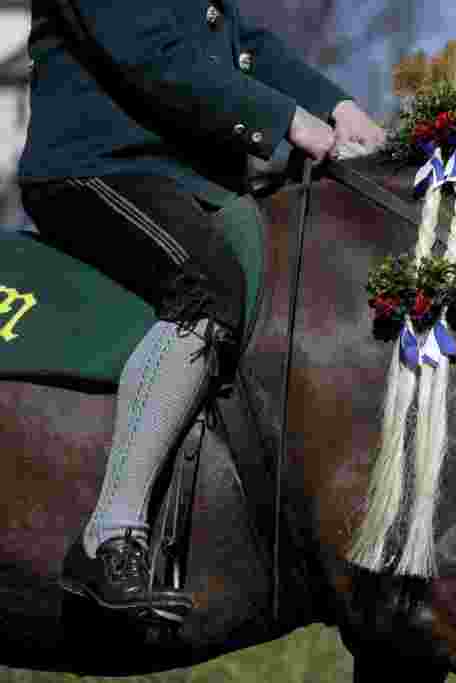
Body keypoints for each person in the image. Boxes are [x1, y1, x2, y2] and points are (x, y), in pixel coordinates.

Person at [17, 0, 386, 623]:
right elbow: (155, 58)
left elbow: (236, 44)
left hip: (186, 180)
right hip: (98, 169)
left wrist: (337, 106)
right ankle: (108, 538)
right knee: (209, 286)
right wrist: (294, 123)